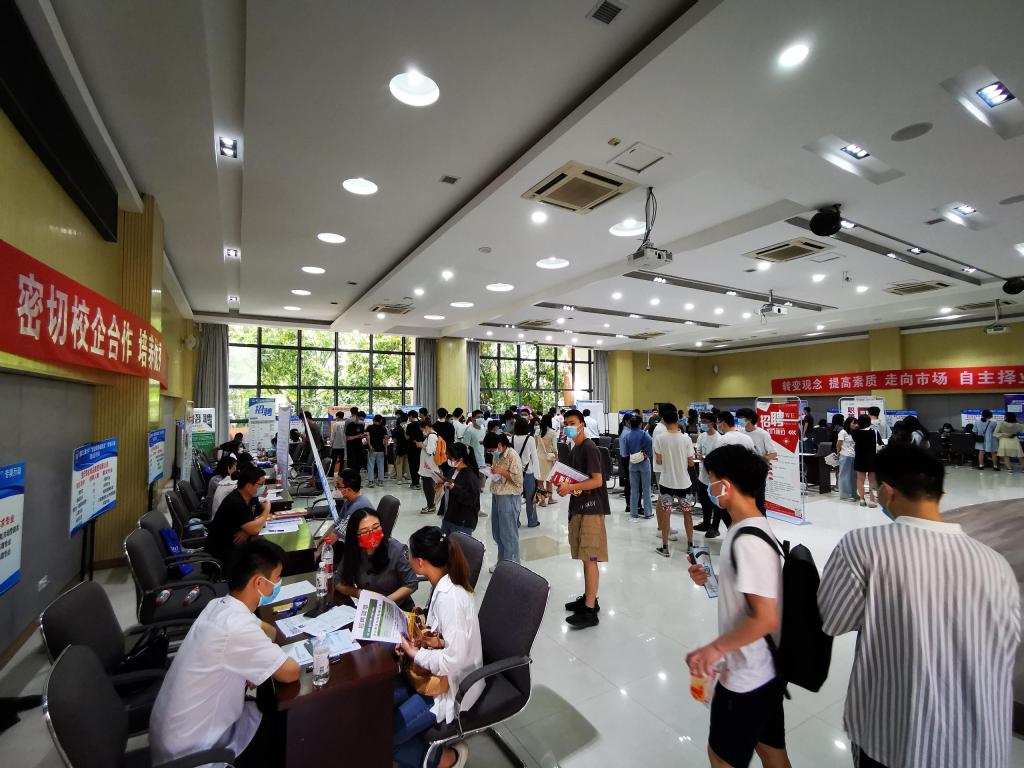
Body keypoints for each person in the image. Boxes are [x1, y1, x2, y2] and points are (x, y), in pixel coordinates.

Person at [818, 444, 1020, 768]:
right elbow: (1008, 643)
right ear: (940, 493)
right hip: (980, 745)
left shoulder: (862, 546)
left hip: (897, 739)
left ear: (887, 491)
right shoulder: (995, 563)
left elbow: (833, 620)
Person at [149, 540, 300, 768]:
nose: (278, 585)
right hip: (197, 754)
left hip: (178, 735)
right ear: (259, 582)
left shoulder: (219, 605)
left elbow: (268, 631)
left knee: (270, 701)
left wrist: (254, 654)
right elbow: (291, 672)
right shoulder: (236, 628)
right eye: (276, 579)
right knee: (293, 726)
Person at [685, 445, 789, 768]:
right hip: (765, 671)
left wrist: (714, 649)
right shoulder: (747, 527)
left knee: (721, 758)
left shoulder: (748, 540)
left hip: (746, 675)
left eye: (711, 481)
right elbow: (750, 592)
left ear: (725, 486)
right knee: (771, 752)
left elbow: (765, 617)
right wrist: (712, 580)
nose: (709, 487)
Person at [392, 527, 481, 768]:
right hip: (436, 674)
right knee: (381, 699)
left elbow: (453, 660)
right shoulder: (443, 585)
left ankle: (449, 759)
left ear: (421, 562)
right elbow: (446, 637)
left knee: (388, 736)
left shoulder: (450, 598)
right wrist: (426, 641)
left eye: (409, 555)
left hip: (451, 689)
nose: (408, 559)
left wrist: (415, 653)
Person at [557, 409, 610, 630]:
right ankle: (589, 598)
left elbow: (597, 481)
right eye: (566, 423)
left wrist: (571, 487)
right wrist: (565, 486)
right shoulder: (575, 449)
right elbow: (578, 480)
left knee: (590, 558)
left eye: (572, 423)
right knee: (584, 556)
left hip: (591, 510)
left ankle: (590, 610)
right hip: (579, 507)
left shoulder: (589, 448)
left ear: (581, 424)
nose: (569, 427)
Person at [335, 508, 418, 610]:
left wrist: (384, 602)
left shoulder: (397, 550)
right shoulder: (353, 550)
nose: (372, 535)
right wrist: (358, 593)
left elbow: (412, 583)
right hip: (368, 607)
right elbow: (337, 582)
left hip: (397, 607)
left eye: (376, 528)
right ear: (354, 535)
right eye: (364, 531)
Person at [204, 466, 273, 567]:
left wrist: (247, 531)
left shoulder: (250, 497)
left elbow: (256, 515)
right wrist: (267, 509)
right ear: (248, 486)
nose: (264, 487)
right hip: (223, 553)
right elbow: (255, 528)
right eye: (261, 484)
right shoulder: (235, 501)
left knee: (265, 545)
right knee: (264, 552)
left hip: (236, 545)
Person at [652, 409, 695, 556]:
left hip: (666, 482)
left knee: (666, 513)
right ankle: (690, 545)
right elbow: (691, 463)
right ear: (677, 420)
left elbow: (659, 461)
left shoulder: (660, 438)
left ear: (664, 421)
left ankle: (665, 547)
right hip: (684, 483)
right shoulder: (686, 439)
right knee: (687, 513)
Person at [489, 434, 523, 564]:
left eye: (492, 449)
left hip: (509, 496)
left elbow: (518, 480)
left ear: (499, 445)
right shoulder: (498, 455)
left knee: (508, 533)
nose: (491, 452)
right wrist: (491, 470)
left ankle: (513, 564)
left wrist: (501, 471)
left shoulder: (512, 456)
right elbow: (497, 471)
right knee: (497, 532)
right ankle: (502, 562)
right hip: (497, 493)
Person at [439, 443, 480, 535]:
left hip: (462, 521)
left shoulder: (470, 476)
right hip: (449, 516)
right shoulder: (452, 471)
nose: (449, 460)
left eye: (451, 458)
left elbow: (472, 500)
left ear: (460, 459)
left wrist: (454, 488)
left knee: (458, 544)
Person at [692, 412, 721, 537]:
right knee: (704, 500)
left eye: (705, 422)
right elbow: (698, 450)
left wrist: (706, 458)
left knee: (716, 502)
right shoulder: (702, 436)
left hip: (715, 476)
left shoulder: (719, 439)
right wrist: (699, 455)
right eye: (701, 422)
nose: (702, 424)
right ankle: (706, 522)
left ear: (712, 423)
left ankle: (715, 527)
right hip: (703, 475)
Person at [621, 414, 653, 521]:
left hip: (632, 464)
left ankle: (633, 512)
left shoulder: (627, 436)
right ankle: (648, 513)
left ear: (630, 423)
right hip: (644, 463)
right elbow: (650, 452)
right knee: (646, 489)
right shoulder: (645, 435)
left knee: (634, 489)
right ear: (640, 424)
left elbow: (625, 453)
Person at [512, 418, 541, 528]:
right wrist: (537, 476)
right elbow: (535, 458)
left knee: (515, 499)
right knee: (531, 499)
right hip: (528, 473)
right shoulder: (530, 439)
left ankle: (515, 522)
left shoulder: (511, 438)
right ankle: (532, 521)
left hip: (515, 473)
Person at [851, 413, 881, 507]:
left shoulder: (855, 432)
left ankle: (862, 499)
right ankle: (872, 500)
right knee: (872, 481)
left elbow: (854, 440)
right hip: (872, 459)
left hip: (860, 458)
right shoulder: (875, 432)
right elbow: (880, 443)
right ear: (869, 422)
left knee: (860, 480)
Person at [417, 420, 442, 514]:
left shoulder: (431, 436)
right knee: (428, 486)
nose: (422, 431)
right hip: (428, 466)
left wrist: (421, 445)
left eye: (422, 429)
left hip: (429, 467)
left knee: (428, 487)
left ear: (426, 427)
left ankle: (431, 506)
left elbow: (430, 451)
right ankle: (430, 505)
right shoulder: (432, 435)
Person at [534, 414, 559, 507]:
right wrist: (557, 458)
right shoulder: (553, 432)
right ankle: (550, 499)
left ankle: (542, 501)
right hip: (548, 458)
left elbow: (535, 446)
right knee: (549, 480)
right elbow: (555, 448)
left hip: (538, 457)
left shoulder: (537, 431)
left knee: (540, 481)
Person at [835, 416, 858, 502]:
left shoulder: (854, 433)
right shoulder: (843, 432)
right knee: (845, 476)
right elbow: (838, 444)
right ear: (848, 424)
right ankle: (845, 495)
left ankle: (853, 493)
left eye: (856, 423)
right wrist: (838, 453)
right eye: (854, 423)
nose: (856, 425)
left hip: (854, 456)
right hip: (845, 455)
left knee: (853, 476)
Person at [460, 410, 486, 477]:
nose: (481, 418)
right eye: (478, 417)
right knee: (474, 481)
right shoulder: (469, 430)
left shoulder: (483, 428)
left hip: (482, 460)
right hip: (473, 462)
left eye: (482, 417)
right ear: (472, 419)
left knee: (482, 481)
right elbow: (465, 447)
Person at [366, 413, 389, 487]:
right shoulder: (383, 428)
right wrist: (386, 449)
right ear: (381, 420)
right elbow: (386, 439)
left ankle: (371, 482)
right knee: (381, 465)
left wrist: (370, 446)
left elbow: (367, 437)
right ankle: (380, 481)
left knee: (370, 465)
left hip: (372, 449)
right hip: (381, 449)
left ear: (374, 420)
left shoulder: (369, 427)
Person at [406, 412, 424, 490]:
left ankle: (414, 483)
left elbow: (407, 437)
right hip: (420, 447)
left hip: (411, 447)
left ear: (411, 416)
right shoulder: (421, 424)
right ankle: (418, 482)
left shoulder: (410, 425)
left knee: (412, 465)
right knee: (418, 465)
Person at [393, 411, 411, 483]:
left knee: (399, 463)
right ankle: (409, 478)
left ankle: (399, 479)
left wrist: (395, 446)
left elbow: (394, 439)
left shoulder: (397, 428)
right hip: (408, 447)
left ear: (400, 419)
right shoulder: (409, 426)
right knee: (408, 463)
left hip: (400, 447)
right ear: (407, 419)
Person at [329, 411, 348, 476]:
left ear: (337, 416)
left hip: (336, 445)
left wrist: (331, 443)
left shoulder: (336, 424)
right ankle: (340, 473)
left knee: (333, 460)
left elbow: (333, 434)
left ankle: (331, 473)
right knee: (342, 460)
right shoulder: (346, 424)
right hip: (343, 445)